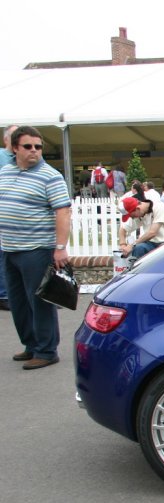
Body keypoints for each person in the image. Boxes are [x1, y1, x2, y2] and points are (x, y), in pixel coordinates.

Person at [0, 126, 71, 370]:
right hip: (9, 249)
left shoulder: (50, 176)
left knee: (39, 301)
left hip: (37, 250)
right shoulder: (6, 171)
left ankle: (46, 350)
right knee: (18, 302)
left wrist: (60, 247)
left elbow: (62, 211)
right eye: (28, 146)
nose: (34, 151)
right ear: (15, 148)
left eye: (38, 147)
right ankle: (31, 345)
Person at [118, 195, 164, 259]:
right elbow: (122, 229)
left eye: (132, 216)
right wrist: (122, 244)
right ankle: (138, 268)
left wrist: (132, 245)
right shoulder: (139, 214)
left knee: (138, 247)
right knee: (139, 248)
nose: (132, 218)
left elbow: (152, 232)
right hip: (152, 243)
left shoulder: (159, 207)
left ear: (137, 208)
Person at [0, 124, 17, 310]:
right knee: (5, 257)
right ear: (6, 139)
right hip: (5, 220)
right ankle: (4, 295)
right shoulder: (2, 158)